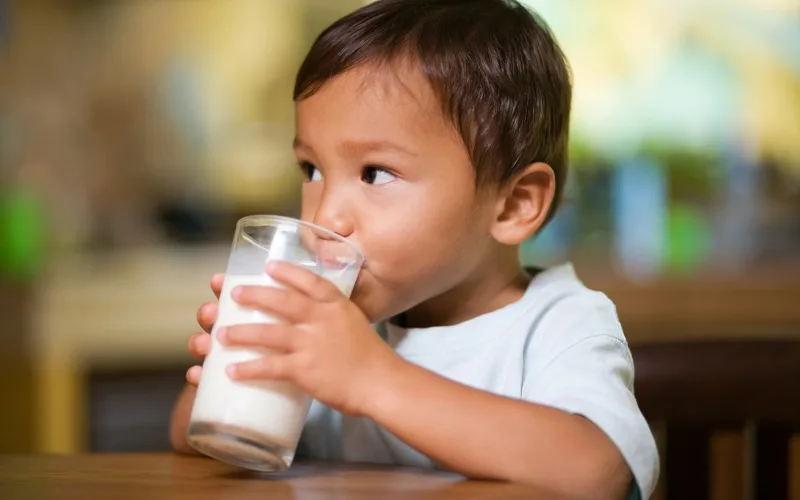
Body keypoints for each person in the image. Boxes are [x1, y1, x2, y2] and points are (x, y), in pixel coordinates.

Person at [170, 0, 659, 497]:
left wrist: (371, 378)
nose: (324, 218)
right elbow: (194, 440)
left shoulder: (557, 325)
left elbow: (596, 470)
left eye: (375, 173)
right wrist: (230, 374)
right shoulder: (336, 324)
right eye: (311, 170)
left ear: (512, 205)